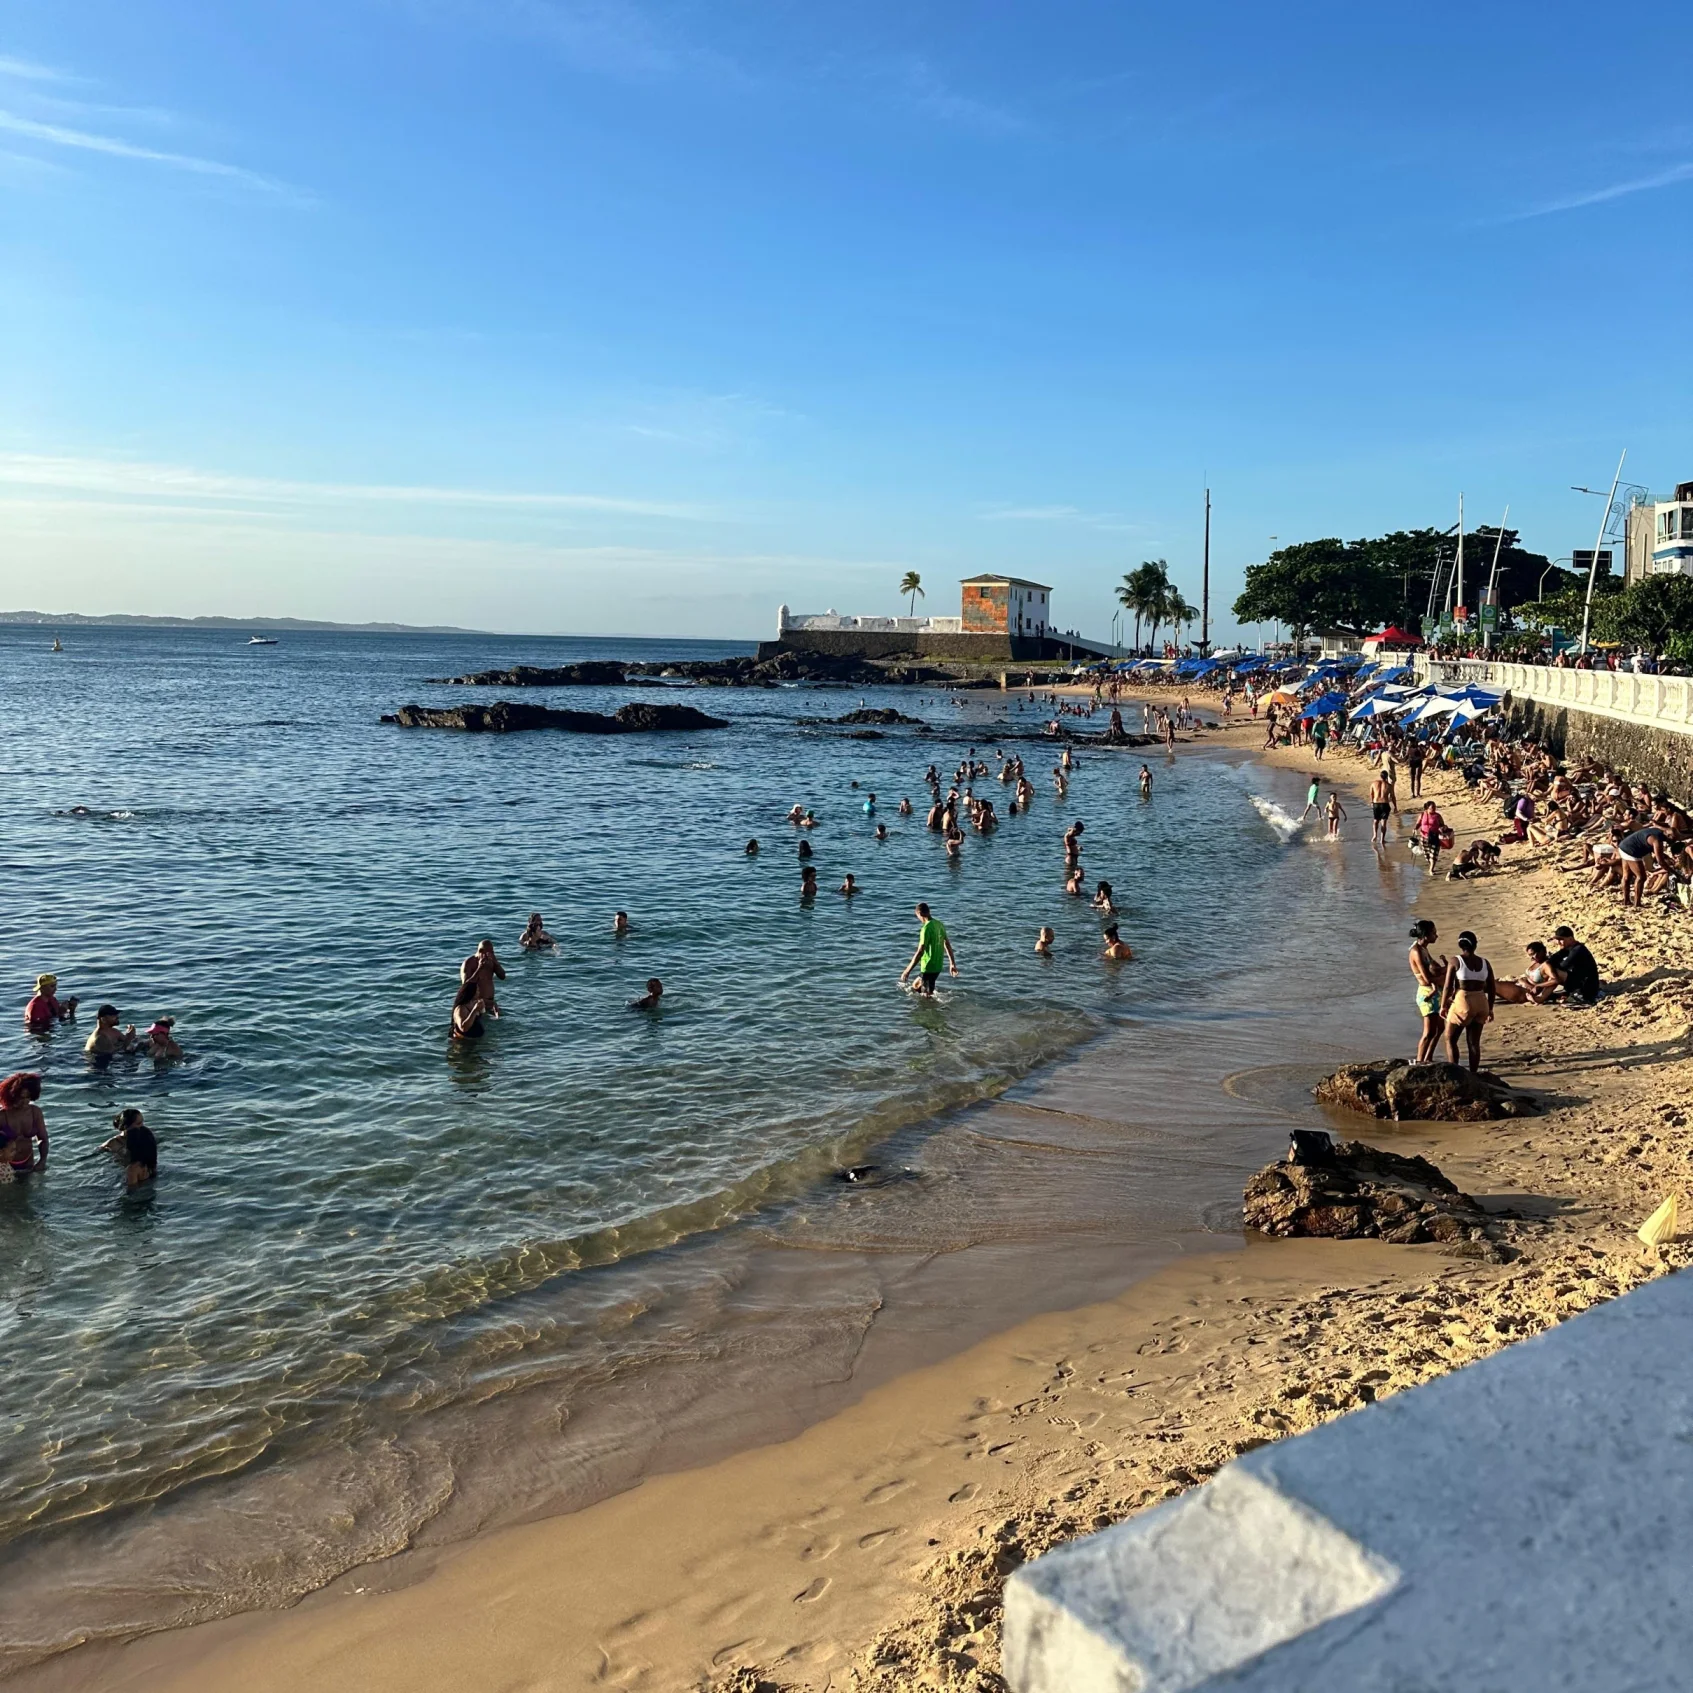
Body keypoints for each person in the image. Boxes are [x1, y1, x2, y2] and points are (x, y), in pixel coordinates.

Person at [1439, 931, 1495, 1073]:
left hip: (1463, 1000)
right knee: (1473, 1043)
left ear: (1460, 945)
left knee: (1450, 1039)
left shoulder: (1455, 961)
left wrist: (1443, 1005)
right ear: (1475, 944)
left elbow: (1447, 986)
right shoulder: (1484, 962)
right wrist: (1490, 1008)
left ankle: (1455, 1072)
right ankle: (1473, 1073)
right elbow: (1492, 987)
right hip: (1482, 1001)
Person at [899, 902, 958, 995]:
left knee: (927, 996)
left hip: (928, 967)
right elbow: (947, 944)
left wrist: (907, 971)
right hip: (938, 966)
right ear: (929, 911)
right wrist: (952, 964)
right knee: (916, 986)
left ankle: (932, 1007)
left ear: (919, 914)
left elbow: (920, 951)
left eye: (917, 916)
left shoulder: (926, 929)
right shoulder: (939, 924)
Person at [1408, 919, 1446, 1063]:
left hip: (1434, 991)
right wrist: (1444, 974)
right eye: (1434, 933)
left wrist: (1445, 969)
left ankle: (1428, 1057)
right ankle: (1419, 1061)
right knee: (1429, 1032)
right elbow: (1427, 977)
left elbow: (1435, 967)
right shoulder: (1416, 951)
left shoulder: (1424, 949)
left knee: (1439, 1028)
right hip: (1427, 993)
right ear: (1425, 935)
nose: (1436, 936)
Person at [1618, 820, 1672, 907]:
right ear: (1668, 836)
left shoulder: (1656, 831)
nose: (1674, 840)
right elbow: (1660, 861)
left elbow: (1655, 851)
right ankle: (1637, 903)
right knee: (1641, 877)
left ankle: (1626, 901)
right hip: (1632, 851)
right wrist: (1671, 870)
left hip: (1623, 846)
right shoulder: (1657, 840)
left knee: (1626, 876)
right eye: (1673, 838)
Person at [103, 1107, 157, 1189]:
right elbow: (100, 1151)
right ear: (126, 1126)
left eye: (142, 1122)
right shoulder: (113, 1143)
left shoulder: (144, 1138)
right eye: (138, 1123)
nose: (142, 1126)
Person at [1494, 942, 1559, 1005]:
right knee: (1490, 983)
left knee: (1491, 984)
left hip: (1524, 991)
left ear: (1541, 952)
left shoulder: (1546, 965)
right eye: (1530, 955)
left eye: (1533, 954)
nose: (1531, 957)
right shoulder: (1536, 962)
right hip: (1520, 984)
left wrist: (1538, 985)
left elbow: (1555, 980)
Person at [1549, 925, 1600, 1003]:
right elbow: (1551, 960)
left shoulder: (1578, 950)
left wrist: (1550, 966)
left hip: (1587, 987)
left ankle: (1541, 996)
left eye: (1561, 939)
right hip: (1578, 981)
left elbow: (1563, 966)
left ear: (1570, 938)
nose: (1559, 942)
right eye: (1557, 939)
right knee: (1549, 968)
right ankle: (1540, 992)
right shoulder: (1568, 948)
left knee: (1555, 972)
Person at [461, 940, 507, 1011]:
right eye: (488, 953)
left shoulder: (491, 961)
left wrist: (496, 962)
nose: (491, 955)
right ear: (481, 951)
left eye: (492, 952)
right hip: (476, 1004)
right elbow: (466, 986)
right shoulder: (469, 963)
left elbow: (502, 976)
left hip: (491, 1002)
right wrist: (479, 968)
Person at [1415, 801, 1445, 873]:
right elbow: (1418, 823)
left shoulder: (1437, 816)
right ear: (1427, 808)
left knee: (1434, 854)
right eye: (1432, 807)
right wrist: (1415, 829)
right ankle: (1431, 864)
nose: (1434, 809)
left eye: (1435, 807)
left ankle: (1431, 869)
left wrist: (1442, 828)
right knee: (1427, 855)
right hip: (1424, 837)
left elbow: (1442, 825)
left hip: (1435, 837)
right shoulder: (1422, 815)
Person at [1368, 772, 1395, 849]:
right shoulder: (1389, 785)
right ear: (1387, 777)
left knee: (1376, 820)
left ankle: (1375, 835)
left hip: (1376, 803)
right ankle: (1382, 839)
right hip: (1384, 804)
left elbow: (1371, 794)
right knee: (1384, 822)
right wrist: (1395, 806)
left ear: (1380, 776)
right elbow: (1392, 796)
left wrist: (1371, 802)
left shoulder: (1374, 783)